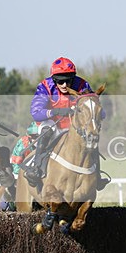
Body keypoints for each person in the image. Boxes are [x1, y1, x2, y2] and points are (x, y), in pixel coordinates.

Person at [23, 57, 110, 190]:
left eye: (68, 81)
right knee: (46, 131)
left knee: (92, 138)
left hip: (75, 126)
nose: (64, 85)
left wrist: (96, 113)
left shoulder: (82, 85)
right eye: (60, 81)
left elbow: (97, 109)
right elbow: (36, 112)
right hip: (52, 123)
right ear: (54, 80)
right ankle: (36, 169)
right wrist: (56, 111)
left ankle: (96, 176)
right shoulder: (45, 86)